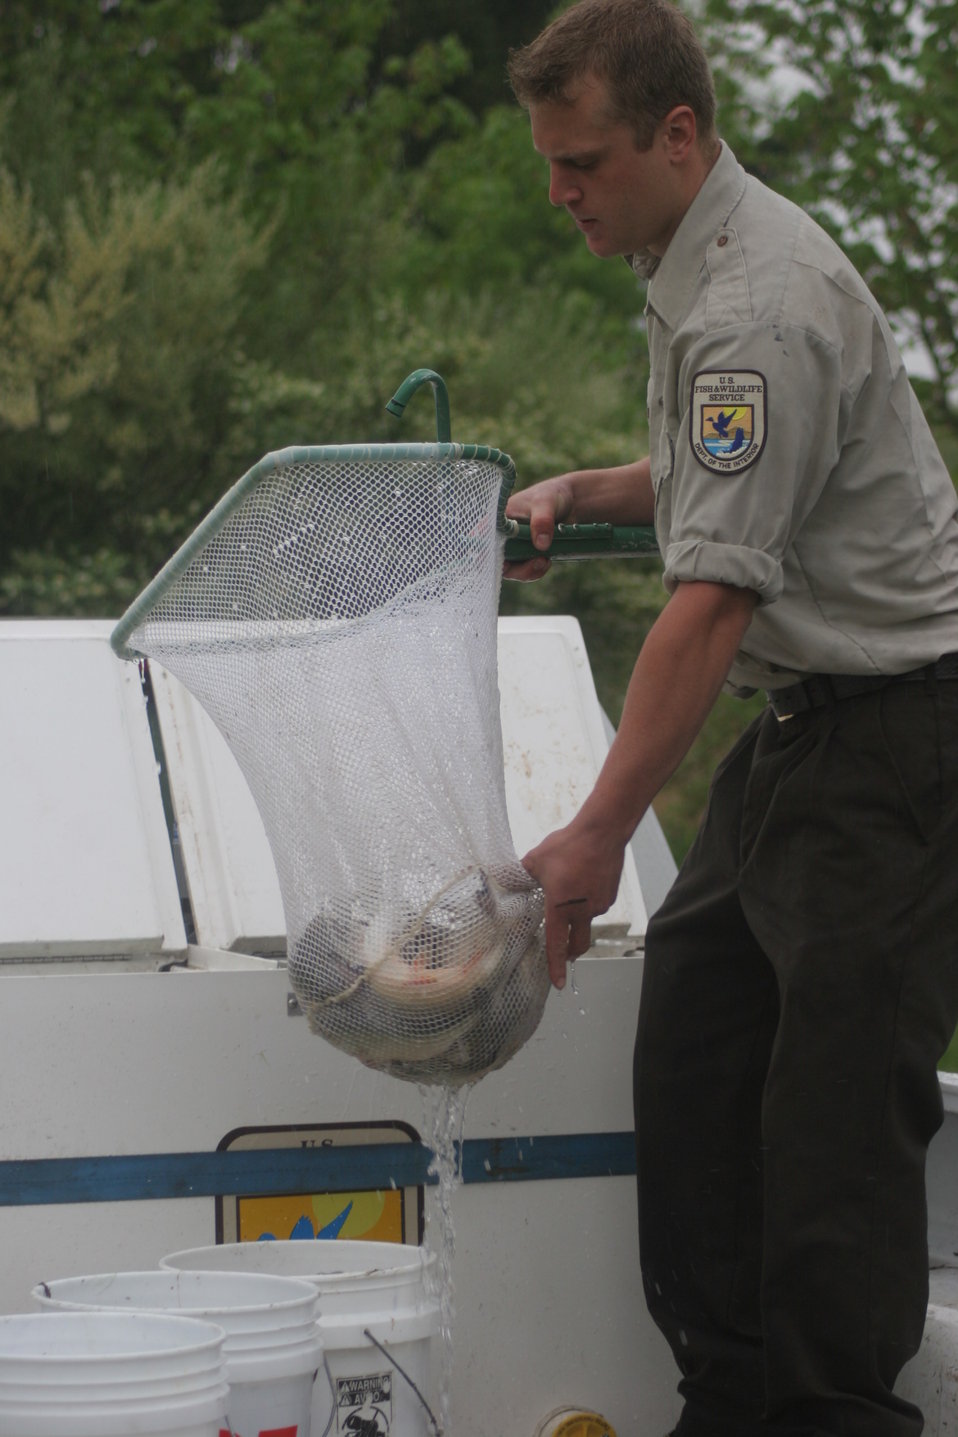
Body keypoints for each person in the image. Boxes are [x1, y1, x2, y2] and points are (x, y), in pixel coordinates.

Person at [504, 2, 958, 1435]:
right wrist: (583, 490)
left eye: (581, 163)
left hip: (896, 731)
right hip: (803, 732)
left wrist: (592, 835)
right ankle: (731, 1395)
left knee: (829, 1123)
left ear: (677, 132)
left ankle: (828, 1415)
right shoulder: (692, 266)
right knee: (695, 1050)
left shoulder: (758, 306)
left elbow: (704, 610)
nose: (560, 194)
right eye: (550, 165)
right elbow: (717, 464)